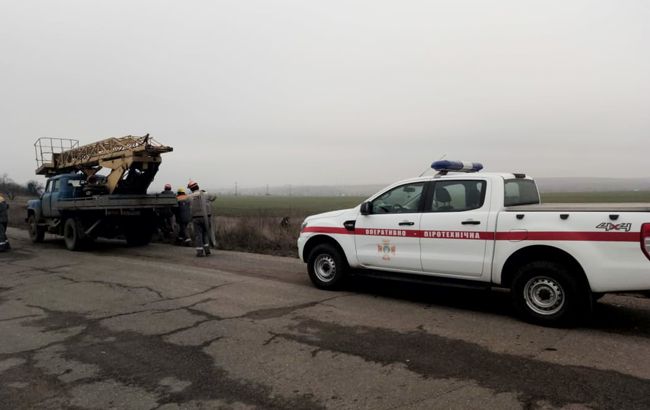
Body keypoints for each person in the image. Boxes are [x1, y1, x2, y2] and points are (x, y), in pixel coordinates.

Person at [188, 180, 216, 257]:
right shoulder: (205, 194)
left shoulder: (190, 196)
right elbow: (214, 197)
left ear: (191, 189)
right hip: (206, 217)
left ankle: (200, 252)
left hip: (196, 218)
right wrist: (204, 192)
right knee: (205, 234)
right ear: (198, 186)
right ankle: (207, 251)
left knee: (198, 235)